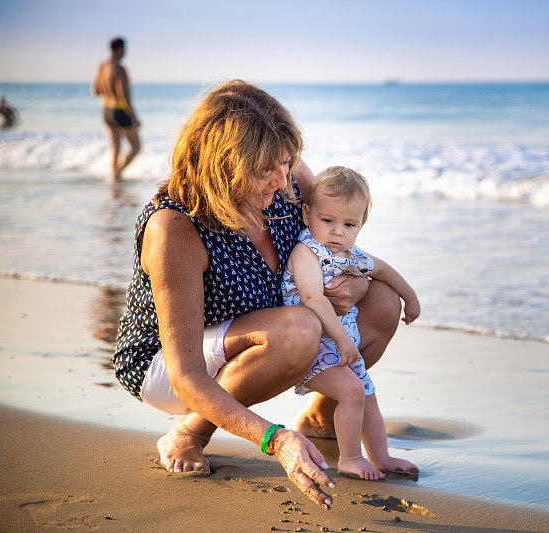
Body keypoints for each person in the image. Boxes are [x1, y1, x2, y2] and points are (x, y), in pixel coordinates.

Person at [112, 80, 401, 509]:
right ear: (224, 163)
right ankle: (189, 432)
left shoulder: (288, 179)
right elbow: (185, 374)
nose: (282, 180)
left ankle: (324, 412)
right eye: (266, 169)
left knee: (382, 300)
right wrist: (274, 437)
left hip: (267, 331)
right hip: (169, 365)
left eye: (286, 162)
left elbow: (341, 243)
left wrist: (354, 284)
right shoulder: (175, 227)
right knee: (300, 328)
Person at [282, 166, 420, 480]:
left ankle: (381, 456)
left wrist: (410, 298)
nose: (337, 232)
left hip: (341, 346)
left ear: (361, 225)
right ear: (307, 215)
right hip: (310, 348)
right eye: (327, 220)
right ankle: (350, 458)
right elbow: (314, 298)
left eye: (349, 225)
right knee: (353, 392)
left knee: (367, 394)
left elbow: (383, 269)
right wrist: (343, 340)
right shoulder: (308, 252)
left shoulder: (351, 254)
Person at [93, 37, 141, 180]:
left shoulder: (101, 67)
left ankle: (114, 179)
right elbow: (123, 98)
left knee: (116, 148)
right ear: (120, 49)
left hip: (106, 110)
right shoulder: (120, 69)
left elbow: (96, 91)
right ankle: (117, 173)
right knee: (136, 147)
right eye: (124, 49)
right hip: (118, 110)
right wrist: (134, 118)